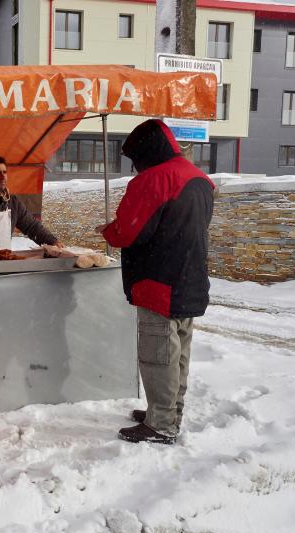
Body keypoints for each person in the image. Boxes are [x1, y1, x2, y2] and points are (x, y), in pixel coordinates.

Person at [95, 119, 214, 445]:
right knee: (179, 353)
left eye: (135, 160)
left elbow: (128, 230)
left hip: (159, 282)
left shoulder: (154, 180)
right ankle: (168, 412)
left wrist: (107, 230)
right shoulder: (200, 179)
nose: (135, 169)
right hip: (190, 279)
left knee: (158, 354)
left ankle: (161, 425)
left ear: (146, 152)